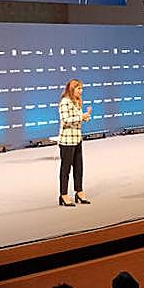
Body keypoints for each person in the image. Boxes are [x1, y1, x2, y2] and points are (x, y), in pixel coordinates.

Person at [57, 78, 91, 207]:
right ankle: (64, 195)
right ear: (72, 89)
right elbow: (65, 120)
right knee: (66, 169)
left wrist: (85, 117)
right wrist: (80, 117)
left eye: (81, 89)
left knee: (79, 168)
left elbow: (78, 120)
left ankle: (79, 192)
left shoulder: (77, 101)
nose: (81, 91)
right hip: (67, 140)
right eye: (79, 89)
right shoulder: (65, 102)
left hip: (77, 138)